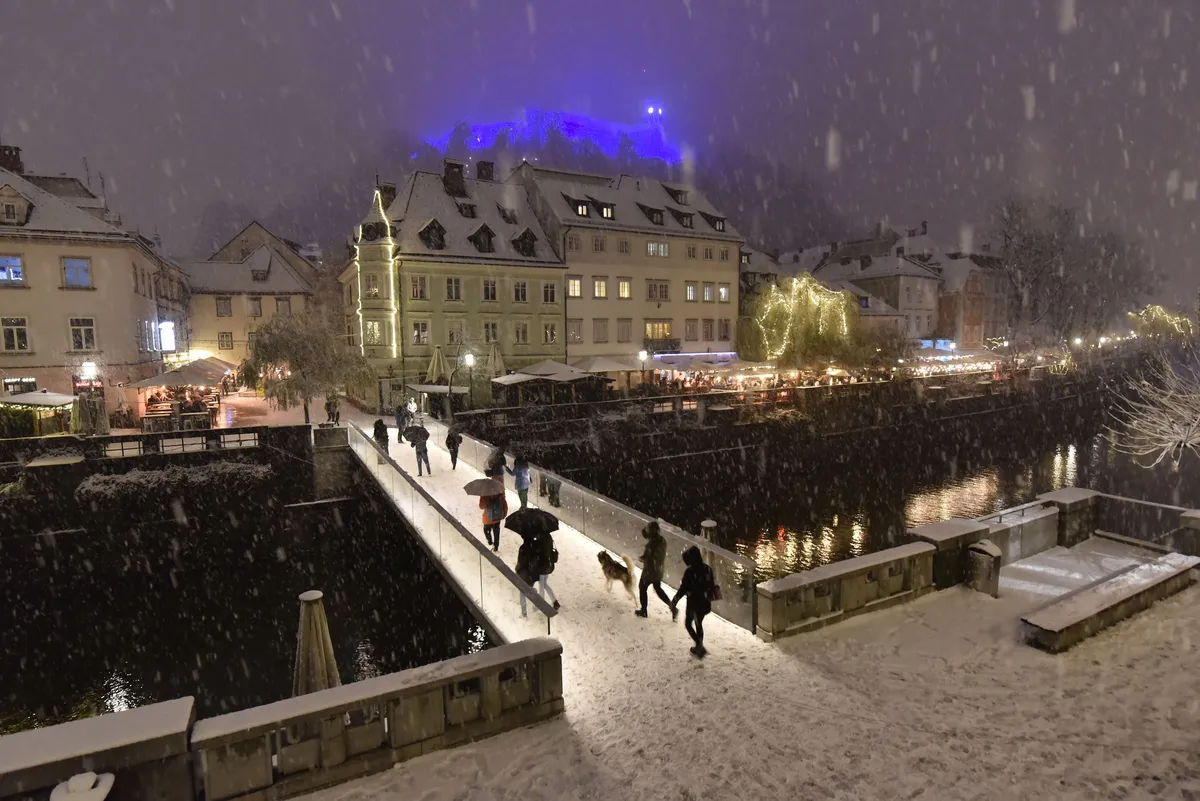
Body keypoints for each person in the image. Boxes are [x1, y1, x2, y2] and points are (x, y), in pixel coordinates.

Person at [671, 546, 714, 658]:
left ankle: (699, 645)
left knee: (688, 623)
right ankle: (699, 645)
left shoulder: (690, 571)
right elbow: (711, 586)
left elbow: (683, 588)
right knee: (699, 623)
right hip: (704, 603)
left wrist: (675, 600)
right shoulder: (707, 569)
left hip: (694, 604)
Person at [635, 521, 672, 619]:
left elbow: (650, 557)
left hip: (650, 571)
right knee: (658, 589)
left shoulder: (652, 544)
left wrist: (644, 558)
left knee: (642, 587)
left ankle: (644, 611)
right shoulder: (661, 540)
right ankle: (672, 607)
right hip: (658, 570)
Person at [516, 532, 537, 618]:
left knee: (522, 593)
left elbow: (521, 563)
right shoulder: (535, 548)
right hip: (533, 574)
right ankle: (535, 602)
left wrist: (517, 570)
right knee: (529, 588)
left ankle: (524, 613)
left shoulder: (523, 548)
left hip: (524, 574)